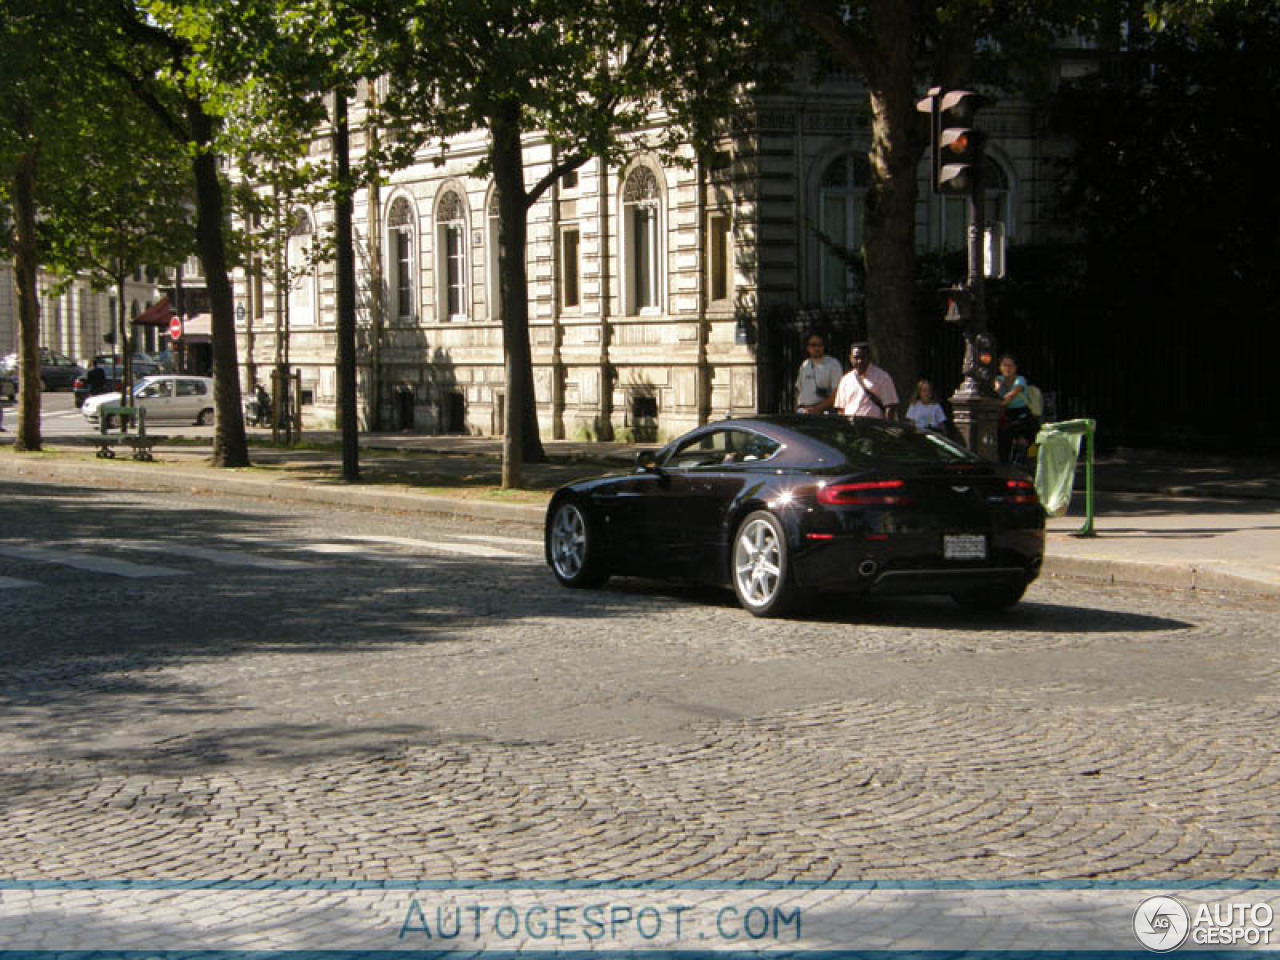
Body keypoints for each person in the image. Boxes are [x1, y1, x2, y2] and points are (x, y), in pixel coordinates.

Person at [834, 342, 898, 420]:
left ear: (869, 358)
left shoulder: (883, 377)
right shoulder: (845, 380)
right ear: (850, 358)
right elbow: (841, 409)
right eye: (856, 358)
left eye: (863, 357)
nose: (859, 361)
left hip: (873, 428)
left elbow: (890, 406)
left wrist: (886, 428)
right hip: (852, 428)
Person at [995, 353, 1037, 464]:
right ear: (1000, 367)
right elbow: (995, 391)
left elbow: (1011, 396)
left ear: (1015, 367)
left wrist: (1001, 402)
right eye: (1004, 365)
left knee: (1022, 439)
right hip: (1005, 414)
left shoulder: (1020, 380)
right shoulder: (998, 379)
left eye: (1010, 366)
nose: (1007, 369)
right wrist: (998, 387)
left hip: (1021, 413)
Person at [794, 331, 843, 414]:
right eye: (813, 345)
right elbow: (798, 389)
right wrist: (796, 408)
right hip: (803, 411)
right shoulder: (805, 365)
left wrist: (815, 410)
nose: (817, 348)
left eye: (820, 345)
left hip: (822, 412)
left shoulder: (833, 364)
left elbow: (836, 393)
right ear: (807, 347)